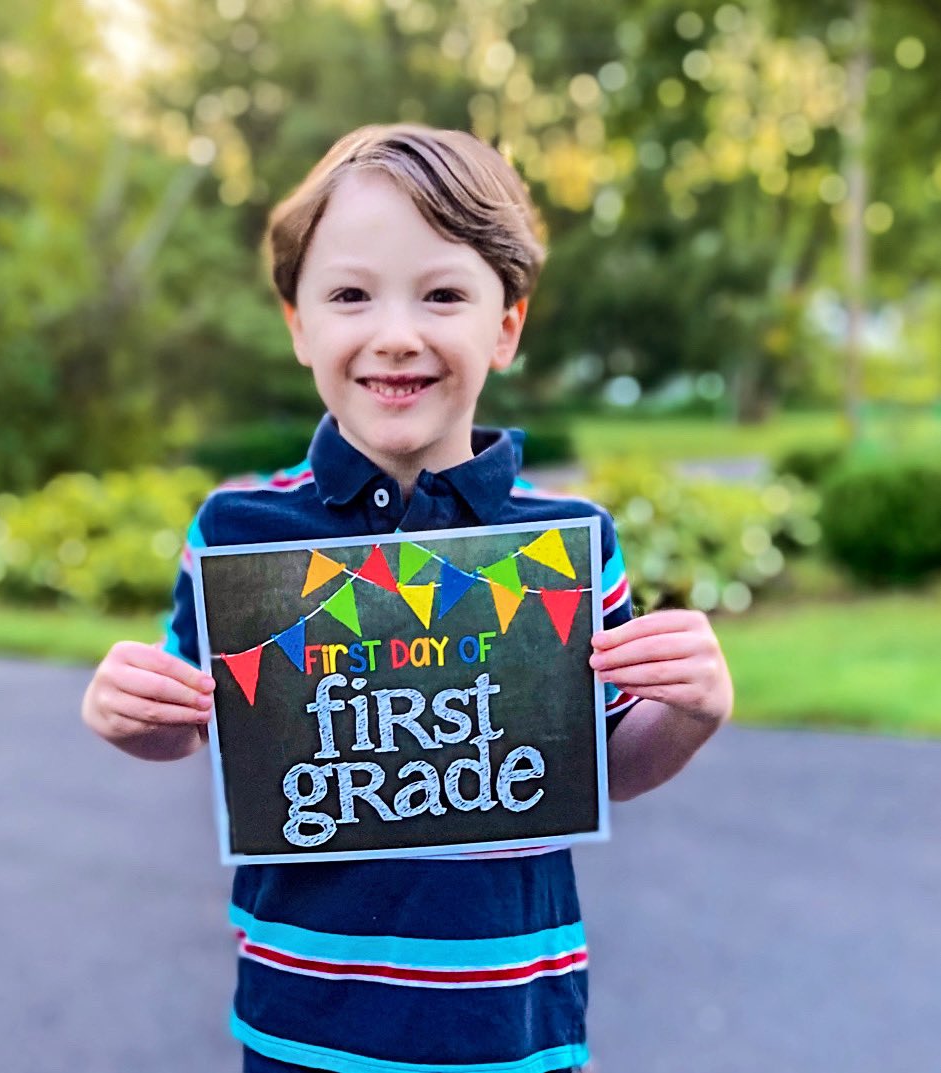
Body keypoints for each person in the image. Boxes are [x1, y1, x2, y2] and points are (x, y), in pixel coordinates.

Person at [81, 124, 733, 1073]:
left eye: (442, 294)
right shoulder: (236, 530)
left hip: (510, 1032)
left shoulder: (566, 544)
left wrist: (690, 712)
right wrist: (134, 709)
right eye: (349, 294)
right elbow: (190, 721)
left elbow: (607, 762)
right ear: (298, 323)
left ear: (503, 324)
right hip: (303, 1025)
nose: (395, 334)